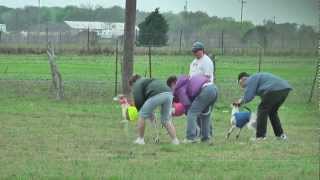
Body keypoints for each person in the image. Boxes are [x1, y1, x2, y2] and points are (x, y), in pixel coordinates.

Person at [235, 72, 292, 141]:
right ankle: (280, 135)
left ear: (243, 79)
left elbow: (249, 96)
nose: (243, 87)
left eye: (241, 85)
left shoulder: (251, 79)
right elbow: (263, 96)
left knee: (262, 109)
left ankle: (260, 136)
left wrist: (239, 102)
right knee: (272, 112)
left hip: (274, 89)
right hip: (284, 89)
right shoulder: (258, 79)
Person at [129, 74, 179, 145]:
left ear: (133, 83)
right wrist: (150, 113)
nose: (133, 89)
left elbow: (139, 101)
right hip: (169, 94)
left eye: (132, 88)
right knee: (166, 119)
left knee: (142, 115)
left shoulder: (137, 84)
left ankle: (140, 139)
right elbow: (148, 102)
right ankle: (175, 140)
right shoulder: (148, 81)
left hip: (158, 94)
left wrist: (139, 110)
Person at [167, 75, 218, 143]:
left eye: (170, 88)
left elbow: (186, 103)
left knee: (191, 112)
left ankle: (190, 137)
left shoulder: (179, 87)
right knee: (205, 114)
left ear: (173, 84)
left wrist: (186, 111)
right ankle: (205, 138)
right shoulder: (186, 81)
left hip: (205, 90)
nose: (171, 91)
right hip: (214, 88)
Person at [189, 41, 215, 137]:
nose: (195, 53)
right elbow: (191, 76)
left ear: (202, 50)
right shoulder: (193, 62)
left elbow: (207, 77)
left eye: (196, 51)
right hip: (195, 90)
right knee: (200, 113)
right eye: (193, 51)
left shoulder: (207, 61)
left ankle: (208, 133)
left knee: (204, 113)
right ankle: (203, 133)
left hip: (205, 89)